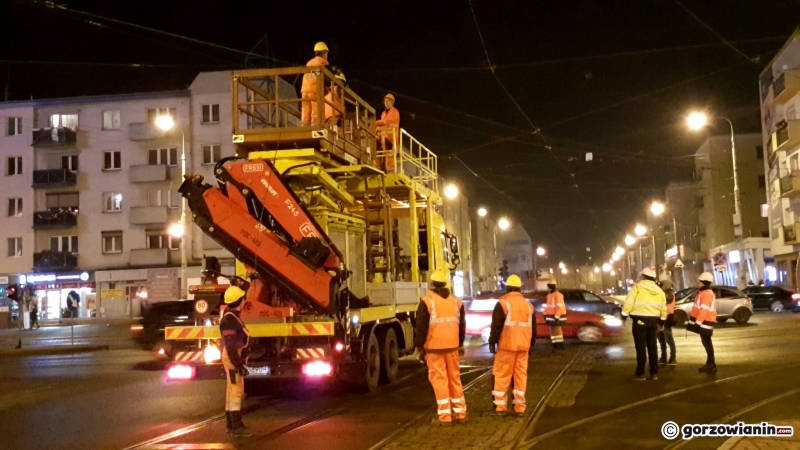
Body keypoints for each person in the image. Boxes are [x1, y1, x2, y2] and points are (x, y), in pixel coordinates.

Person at [414, 270, 467, 426]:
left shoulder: (426, 301)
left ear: (431, 284)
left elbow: (421, 327)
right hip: (452, 347)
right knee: (455, 379)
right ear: (445, 284)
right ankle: (460, 414)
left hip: (434, 348)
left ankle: (445, 417)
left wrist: (419, 346)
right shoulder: (457, 302)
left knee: (440, 380)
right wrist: (460, 343)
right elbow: (462, 325)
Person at [488, 275, 534, 416]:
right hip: (523, 347)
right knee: (520, 376)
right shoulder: (528, 306)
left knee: (502, 375)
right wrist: (530, 345)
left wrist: (492, 341)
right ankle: (520, 407)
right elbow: (534, 329)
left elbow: (496, 326)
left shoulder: (503, 303)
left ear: (507, 288)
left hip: (506, 346)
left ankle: (500, 407)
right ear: (520, 289)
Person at [622, 267, 667, 381]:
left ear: (643, 276)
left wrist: (624, 317)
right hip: (653, 322)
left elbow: (628, 303)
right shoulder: (659, 291)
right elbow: (663, 309)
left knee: (641, 347)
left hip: (639, 321)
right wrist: (661, 323)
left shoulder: (637, 288)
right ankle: (654, 373)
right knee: (652, 347)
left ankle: (640, 373)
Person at [220, 285, 252, 437]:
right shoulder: (229, 321)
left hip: (234, 357)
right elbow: (231, 347)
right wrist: (239, 366)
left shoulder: (232, 317)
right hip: (233, 359)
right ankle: (236, 426)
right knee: (236, 391)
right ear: (240, 301)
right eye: (243, 298)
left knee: (231, 390)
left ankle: (231, 424)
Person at [687, 272, 717, 374]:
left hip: (706, 322)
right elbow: (698, 309)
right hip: (704, 321)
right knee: (706, 343)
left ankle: (711, 364)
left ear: (703, 282)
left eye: (699, 281)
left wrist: (697, 323)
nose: (698, 283)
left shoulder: (707, 294)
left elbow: (704, 310)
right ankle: (710, 364)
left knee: (707, 343)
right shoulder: (703, 293)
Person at [300, 42, 330, 125]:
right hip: (315, 90)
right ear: (324, 53)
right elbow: (326, 80)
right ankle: (316, 127)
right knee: (316, 111)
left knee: (305, 112)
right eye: (326, 53)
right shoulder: (323, 63)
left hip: (305, 90)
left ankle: (304, 127)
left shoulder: (309, 63)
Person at [376, 93, 400, 172]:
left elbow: (385, 121)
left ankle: (392, 173)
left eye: (388, 101)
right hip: (385, 140)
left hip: (392, 140)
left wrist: (374, 123)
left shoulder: (394, 112)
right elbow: (383, 126)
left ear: (392, 102)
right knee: (385, 159)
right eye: (385, 101)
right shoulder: (383, 114)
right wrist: (377, 131)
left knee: (390, 161)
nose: (386, 102)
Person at [657, 278, 676, 365]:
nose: (660, 287)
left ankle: (673, 358)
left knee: (669, 339)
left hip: (667, 319)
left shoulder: (669, 294)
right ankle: (663, 357)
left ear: (665, 286)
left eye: (661, 285)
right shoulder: (664, 293)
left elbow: (663, 300)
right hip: (661, 318)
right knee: (661, 339)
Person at [544, 278, 566, 350]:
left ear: (550, 286)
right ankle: (555, 344)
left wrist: (556, 317)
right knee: (553, 331)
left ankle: (560, 345)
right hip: (551, 316)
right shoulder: (549, 295)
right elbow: (548, 306)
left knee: (557, 331)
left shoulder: (558, 295)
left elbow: (559, 307)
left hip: (556, 316)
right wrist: (545, 314)